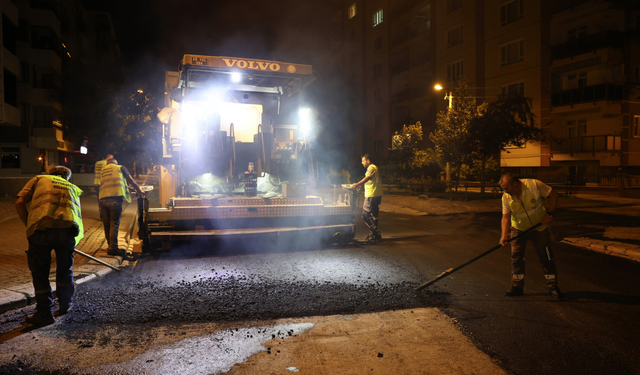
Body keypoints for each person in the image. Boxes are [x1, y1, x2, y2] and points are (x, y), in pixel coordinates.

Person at [16, 166, 84, 325]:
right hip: (67, 232)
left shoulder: (39, 179)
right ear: (66, 178)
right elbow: (76, 216)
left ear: (50, 174)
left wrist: (29, 225)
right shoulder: (72, 187)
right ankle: (65, 305)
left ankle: (44, 314)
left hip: (41, 230)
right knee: (65, 269)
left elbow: (20, 202)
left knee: (40, 272)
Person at [499, 173, 563, 300]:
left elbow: (554, 194)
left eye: (506, 188)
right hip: (518, 229)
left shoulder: (534, 184)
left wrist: (550, 213)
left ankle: (553, 287)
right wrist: (504, 235)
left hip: (539, 228)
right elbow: (506, 217)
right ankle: (517, 286)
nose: (504, 191)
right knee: (516, 258)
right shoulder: (506, 197)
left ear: (515, 184)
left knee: (546, 257)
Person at [99, 158, 144, 256]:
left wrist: (130, 189)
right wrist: (139, 190)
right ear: (116, 163)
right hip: (114, 200)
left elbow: (116, 183)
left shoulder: (103, 171)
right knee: (114, 224)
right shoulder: (120, 168)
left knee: (107, 225)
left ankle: (110, 246)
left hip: (102, 200)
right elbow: (131, 180)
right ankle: (113, 249)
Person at [352, 153, 383, 242]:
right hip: (377, 194)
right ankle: (373, 234)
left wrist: (357, 184)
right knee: (374, 216)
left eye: (363, 161)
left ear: (368, 161)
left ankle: (375, 232)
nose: (362, 163)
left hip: (371, 195)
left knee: (365, 215)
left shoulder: (371, 168)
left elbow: (368, 177)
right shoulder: (375, 168)